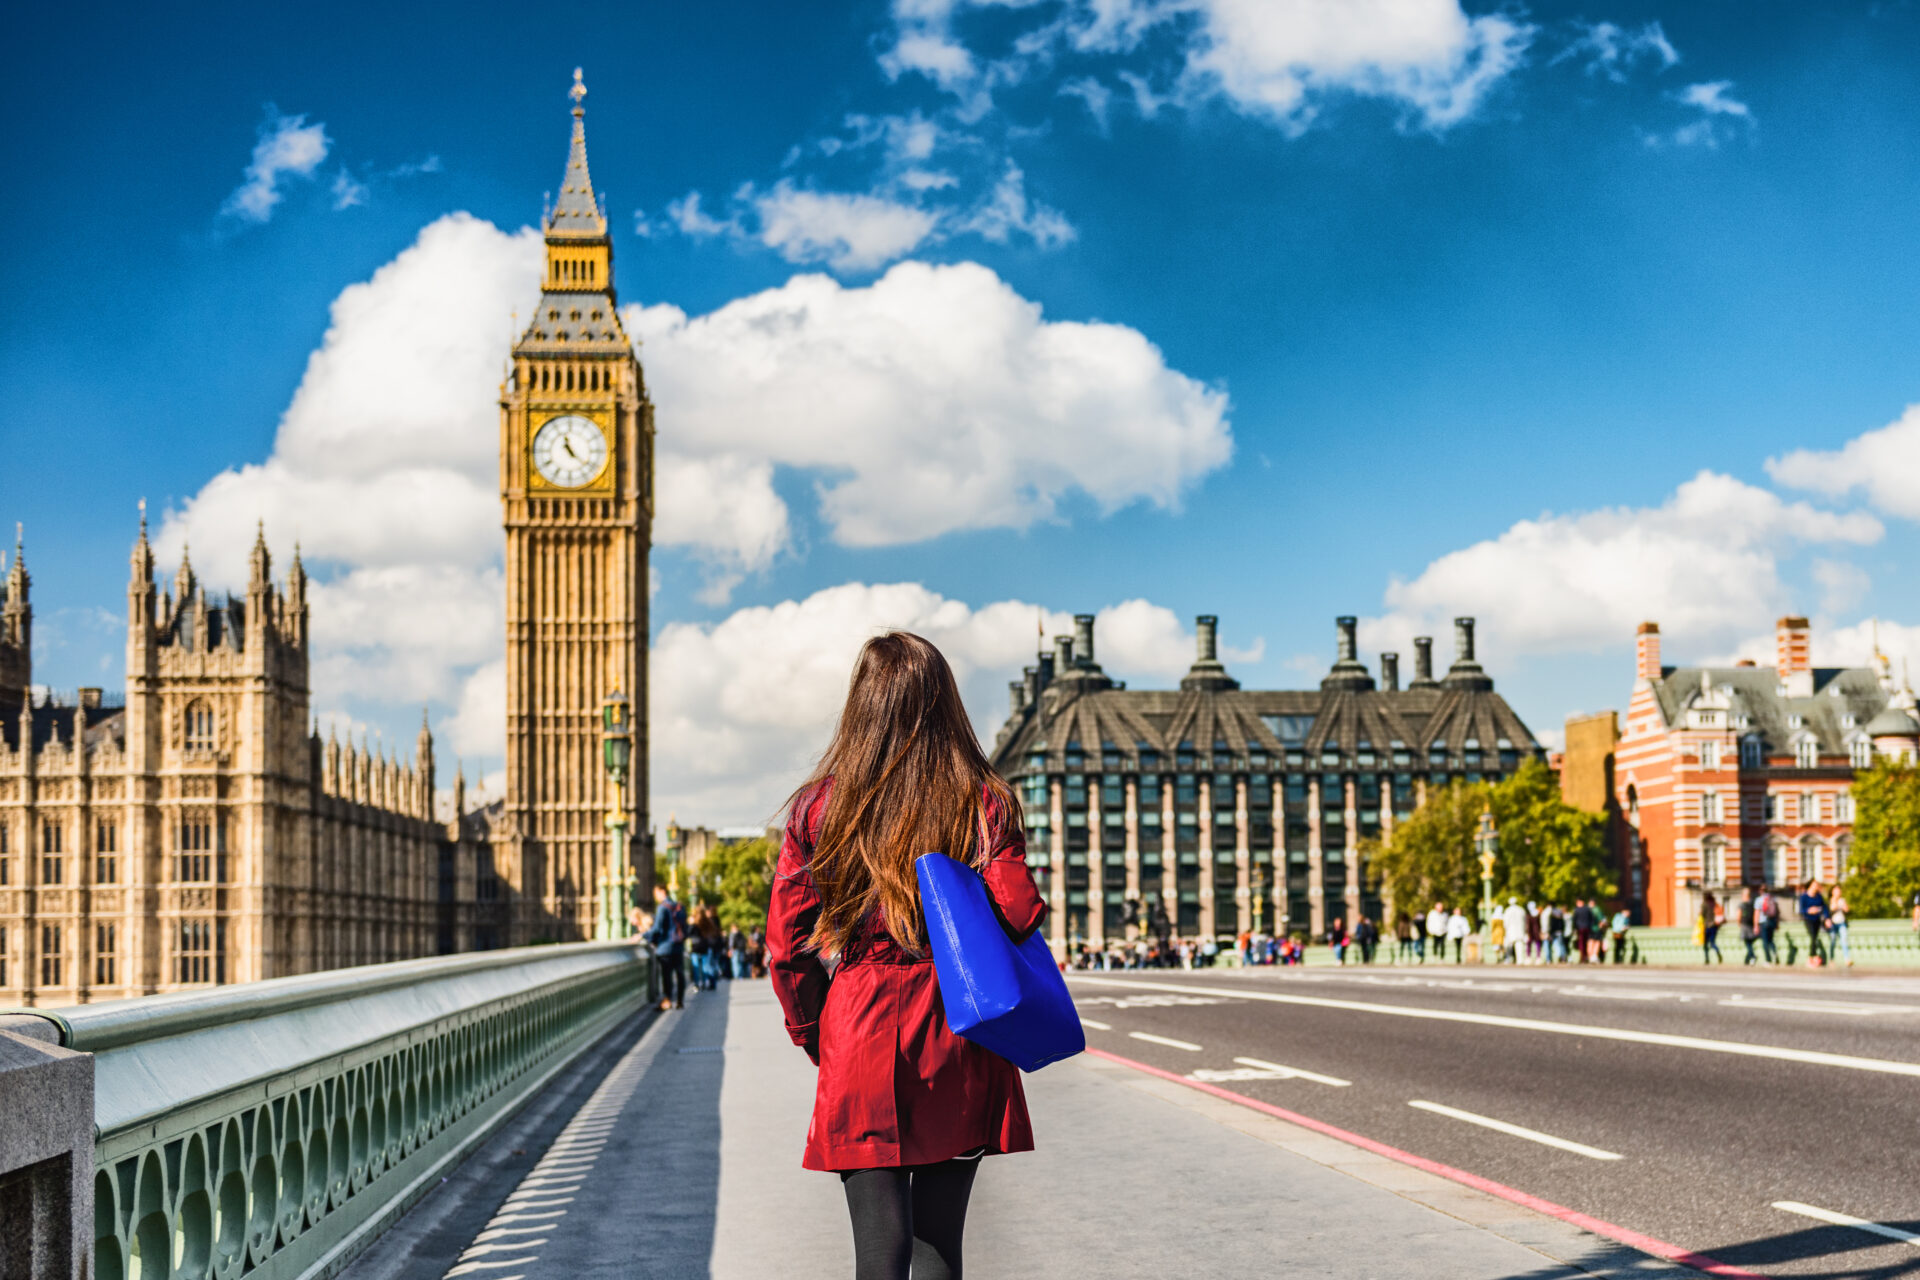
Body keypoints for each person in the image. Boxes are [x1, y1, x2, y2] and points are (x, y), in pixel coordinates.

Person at [768, 631, 1047, 1280]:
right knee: (937, 1247)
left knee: (879, 1251)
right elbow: (1019, 914)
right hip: (959, 1031)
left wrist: (816, 1033)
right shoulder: (983, 799)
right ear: (943, 702)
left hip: (860, 1028)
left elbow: (787, 948)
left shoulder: (818, 808)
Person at [645, 883, 688, 1010]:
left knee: (666, 975)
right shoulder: (678, 906)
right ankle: (680, 1001)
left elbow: (657, 928)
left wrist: (643, 936)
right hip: (678, 945)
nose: (655, 896)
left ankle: (667, 1000)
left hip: (665, 947)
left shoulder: (662, 908)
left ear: (661, 891)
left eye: (656, 893)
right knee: (680, 973)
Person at [1798, 879, 1828, 967]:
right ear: (1810, 885)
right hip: (1808, 919)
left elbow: (1824, 907)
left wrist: (1826, 918)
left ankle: (1813, 957)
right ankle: (1811, 957)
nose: (1817, 886)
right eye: (1815, 885)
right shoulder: (1804, 896)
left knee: (1815, 936)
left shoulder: (1818, 896)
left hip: (1817, 919)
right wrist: (1809, 910)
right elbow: (1801, 910)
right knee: (1813, 937)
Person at [1829, 888, 1853, 968]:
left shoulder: (1842, 900)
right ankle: (1831, 959)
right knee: (1833, 941)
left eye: (1839, 891)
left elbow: (1847, 910)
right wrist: (1835, 900)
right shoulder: (1831, 900)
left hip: (1842, 922)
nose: (1838, 892)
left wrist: (1844, 906)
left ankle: (1847, 959)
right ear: (1832, 892)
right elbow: (1832, 908)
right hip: (1833, 923)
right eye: (1836, 891)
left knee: (1844, 940)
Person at [1757, 887, 1781, 964]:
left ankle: (1768, 959)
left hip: (1763, 922)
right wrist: (1777, 923)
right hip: (1772, 922)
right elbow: (1777, 912)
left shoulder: (1759, 900)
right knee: (1771, 940)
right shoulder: (1773, 899)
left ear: (1761, 891)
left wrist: (1755, 925)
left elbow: (1757, 913)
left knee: (1765, 941)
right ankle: (1774, 953)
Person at [1700, 891, 1723, 964]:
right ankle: (1718, 952)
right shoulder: (1714, 904)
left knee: (1705, 944)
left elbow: (1702, 915)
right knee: (1713, 943)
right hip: (1715, 926)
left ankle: (1707, 959)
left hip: (1707, 926)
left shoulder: (1704, 904)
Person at [1572, 898, 1596, 964]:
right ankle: (1586, 956)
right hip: (1587, 928)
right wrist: (1590, 926)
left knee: (1581, 943)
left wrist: (1574, 928)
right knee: (1586, 942)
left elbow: (1574, 920)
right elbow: (1592, 919)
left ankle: (1582, 957)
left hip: (1580, 928)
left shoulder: (1576, 910)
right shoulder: (1588, 909)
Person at [1737, 887, 1758, 965]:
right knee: (1749, 943)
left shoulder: (1742, 904)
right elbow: (1756, 914)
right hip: (1752, 925)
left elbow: (1738, 916)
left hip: (1745, 925)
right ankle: (1747, 960)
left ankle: (1752, 956)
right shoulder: (1753, 903)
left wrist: (1739, 923)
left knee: (1747, 943)